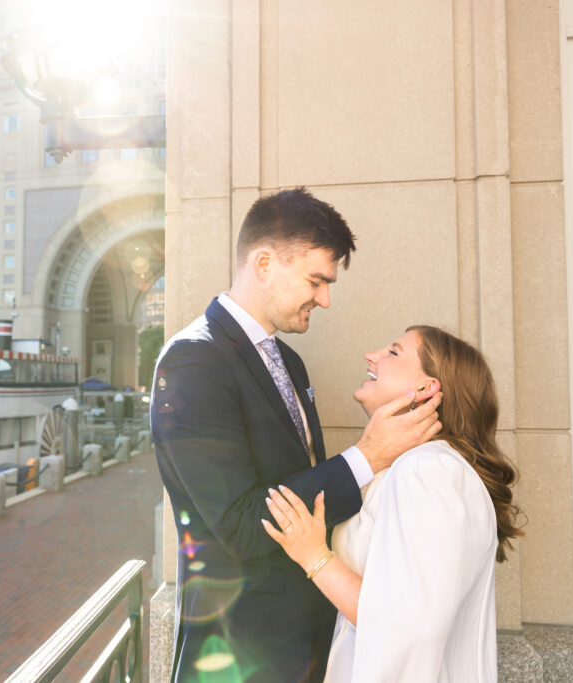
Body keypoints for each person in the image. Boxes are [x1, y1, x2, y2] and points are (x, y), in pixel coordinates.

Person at [151, 188, 443, 682]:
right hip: (241, 655)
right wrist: (368, 456)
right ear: (264, 262)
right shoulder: (191, 362)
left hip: (310, 644)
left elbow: (308, 492)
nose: (325, 299)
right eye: (316, 280)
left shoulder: (290, 362)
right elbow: (241, 525)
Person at [264, 326, 522, 682]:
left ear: (426, 388)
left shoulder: (428, 471)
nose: (373, 356)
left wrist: (314, 557)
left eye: (394, 352)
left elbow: (405, 626)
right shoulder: (421, 468)